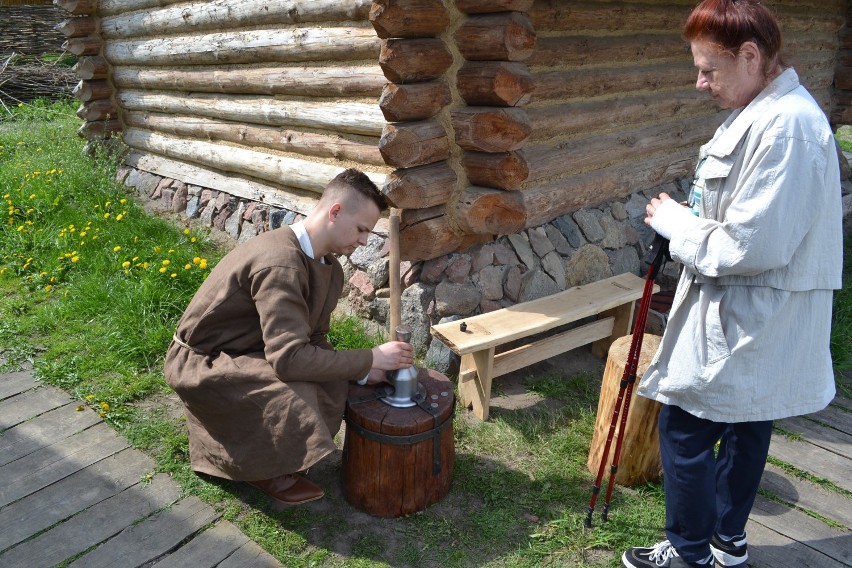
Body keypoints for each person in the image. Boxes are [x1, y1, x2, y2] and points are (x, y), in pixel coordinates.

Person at [621, 1, 843, 567]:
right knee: (747, 421)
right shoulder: (769, 111)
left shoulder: (787, 127)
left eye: (707, 69)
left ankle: (692, 551)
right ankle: (726, 540)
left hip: (750, 311)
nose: (699, 83)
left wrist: (677, 225)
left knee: (686, 427)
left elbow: (751, 246)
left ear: (749, 56)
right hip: (752, 310)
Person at [164, 168, 414, 506]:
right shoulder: (281, 263)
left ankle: (278, 452)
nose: (364, 241)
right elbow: (289, 359)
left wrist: (363, 371)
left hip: (248, 348)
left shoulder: (329, 266)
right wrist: (369, 357)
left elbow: (314, 339)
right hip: (202, 361)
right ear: (335, 212)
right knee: (296, 391)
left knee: (332, 382)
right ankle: (262, 469)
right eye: (361, 229)